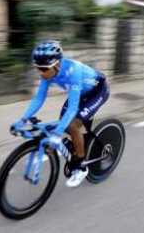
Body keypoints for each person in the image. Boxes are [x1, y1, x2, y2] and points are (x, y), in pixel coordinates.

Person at [11, 40, 110, 187]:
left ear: (56, 64)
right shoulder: (48, 74)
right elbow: (39, 98)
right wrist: (23, 119)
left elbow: (72, 108)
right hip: (80, 93)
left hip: (97, 91)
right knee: (63, 124)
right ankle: (77, 145)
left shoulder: (73, 71)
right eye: (37, 68)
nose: (40, 72)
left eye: (43, 69)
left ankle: (81, 167)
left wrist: (57, 134)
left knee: (71, 124)